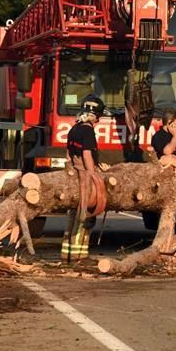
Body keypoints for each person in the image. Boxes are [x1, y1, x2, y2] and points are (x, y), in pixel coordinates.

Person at [61, 95, 105, 263]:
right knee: (84, 215)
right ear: (95, 115)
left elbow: (68, 154)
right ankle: (80, 256)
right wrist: (93, 175)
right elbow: (87, 155)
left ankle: (67, 255)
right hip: (85, 177)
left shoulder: (74, 129)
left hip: (74, 173)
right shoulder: (87, 131)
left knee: (72, 214)